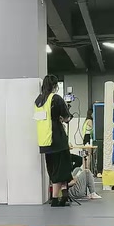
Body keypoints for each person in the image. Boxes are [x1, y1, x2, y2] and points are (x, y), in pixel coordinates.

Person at [35, 74, 73, 207]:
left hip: (44, 140)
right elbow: (66, 117)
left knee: (52, 168)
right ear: (55, 86)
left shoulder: (38, 100)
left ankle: (64, 197)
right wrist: (64, 118)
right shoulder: (56, 98)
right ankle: (56, 198)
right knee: (62, 168)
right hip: (57, 139)